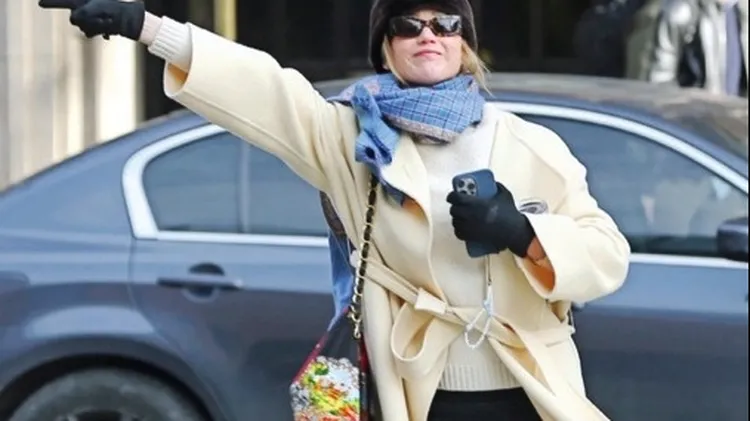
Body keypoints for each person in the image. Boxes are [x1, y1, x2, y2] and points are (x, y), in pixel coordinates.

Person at [39, 0, 631, 419]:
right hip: (415, 392)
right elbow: (264, 89)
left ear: (464, 43)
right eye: (407, 25)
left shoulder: (530, 143)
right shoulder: (351, 138)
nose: (428, 34)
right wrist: (147, 26)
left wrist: (523, 232)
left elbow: (607, 255)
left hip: (530, 389)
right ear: (386, 48)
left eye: (446, 23)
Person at [626, 0, 749, 97]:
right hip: (693, 118)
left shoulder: (739, 10)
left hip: (729, 117)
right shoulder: (679, 11)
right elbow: (657, 86)